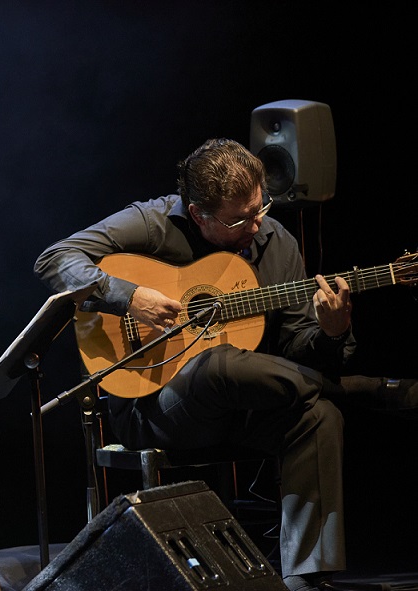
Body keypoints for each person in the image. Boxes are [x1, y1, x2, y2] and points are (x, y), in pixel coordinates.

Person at [33, 138, 417, 591]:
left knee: (318, 415)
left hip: (243, 405)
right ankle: (362, 388)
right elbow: (55, 259)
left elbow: (297, 346)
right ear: (199, 215)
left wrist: (333, 333)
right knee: (216, 364)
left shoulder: (276, 241)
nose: (258, 224)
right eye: (241, 219)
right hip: (155, 406)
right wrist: (129, 296)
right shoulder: (154, 222)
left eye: (261, 206)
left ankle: (306, 580)